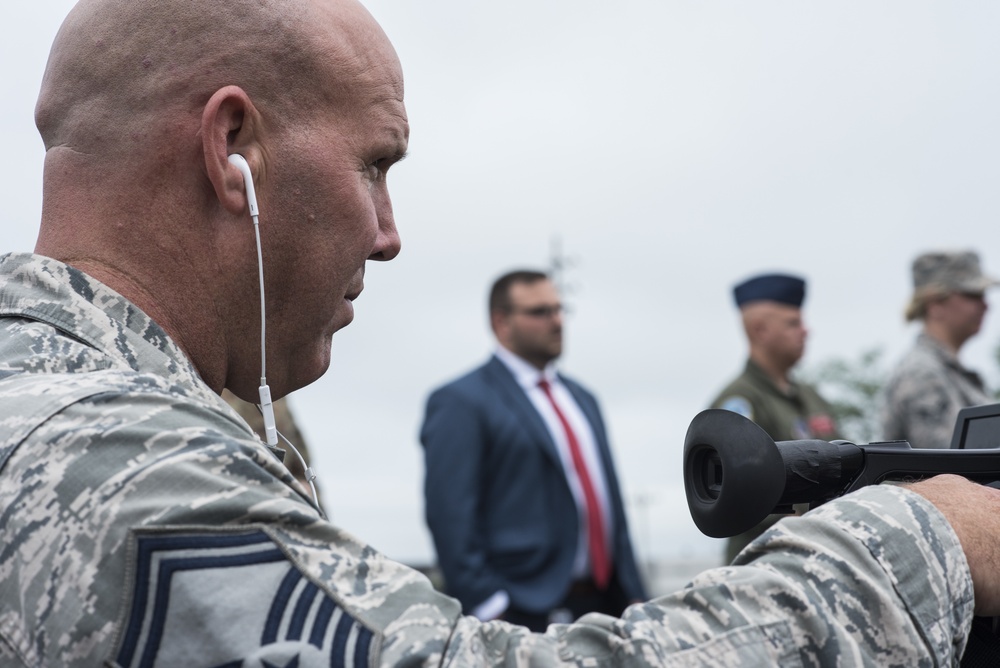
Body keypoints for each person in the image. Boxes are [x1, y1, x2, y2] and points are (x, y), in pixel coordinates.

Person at [0, 0, 999, 665]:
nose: (388, 236)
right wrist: (928, 539)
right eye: (374, 165)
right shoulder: (101, 451)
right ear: (232, 149)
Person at [419, 270, 647, 631]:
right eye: (540, 312)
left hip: (607, 605)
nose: (557, 321)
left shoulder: (582, 398)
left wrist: (634, 592)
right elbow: (450, 515)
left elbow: (610, 504)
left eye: (559, 309)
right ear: (501, 322)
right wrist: (491, 606)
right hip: (522, 611)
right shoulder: (462, 401)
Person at [709, 272, 842, 563]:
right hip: (764, 565)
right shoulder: (738, 404)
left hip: (822, 557)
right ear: (760, 330)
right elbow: (738, 498)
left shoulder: (812, 397)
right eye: (793, 323)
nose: (806, 331)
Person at [881, 250, 998, 449]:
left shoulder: (948, 373)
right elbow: (949, 465)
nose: (985, 305)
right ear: (935, 304)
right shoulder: (921, 374)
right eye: (972, 295)